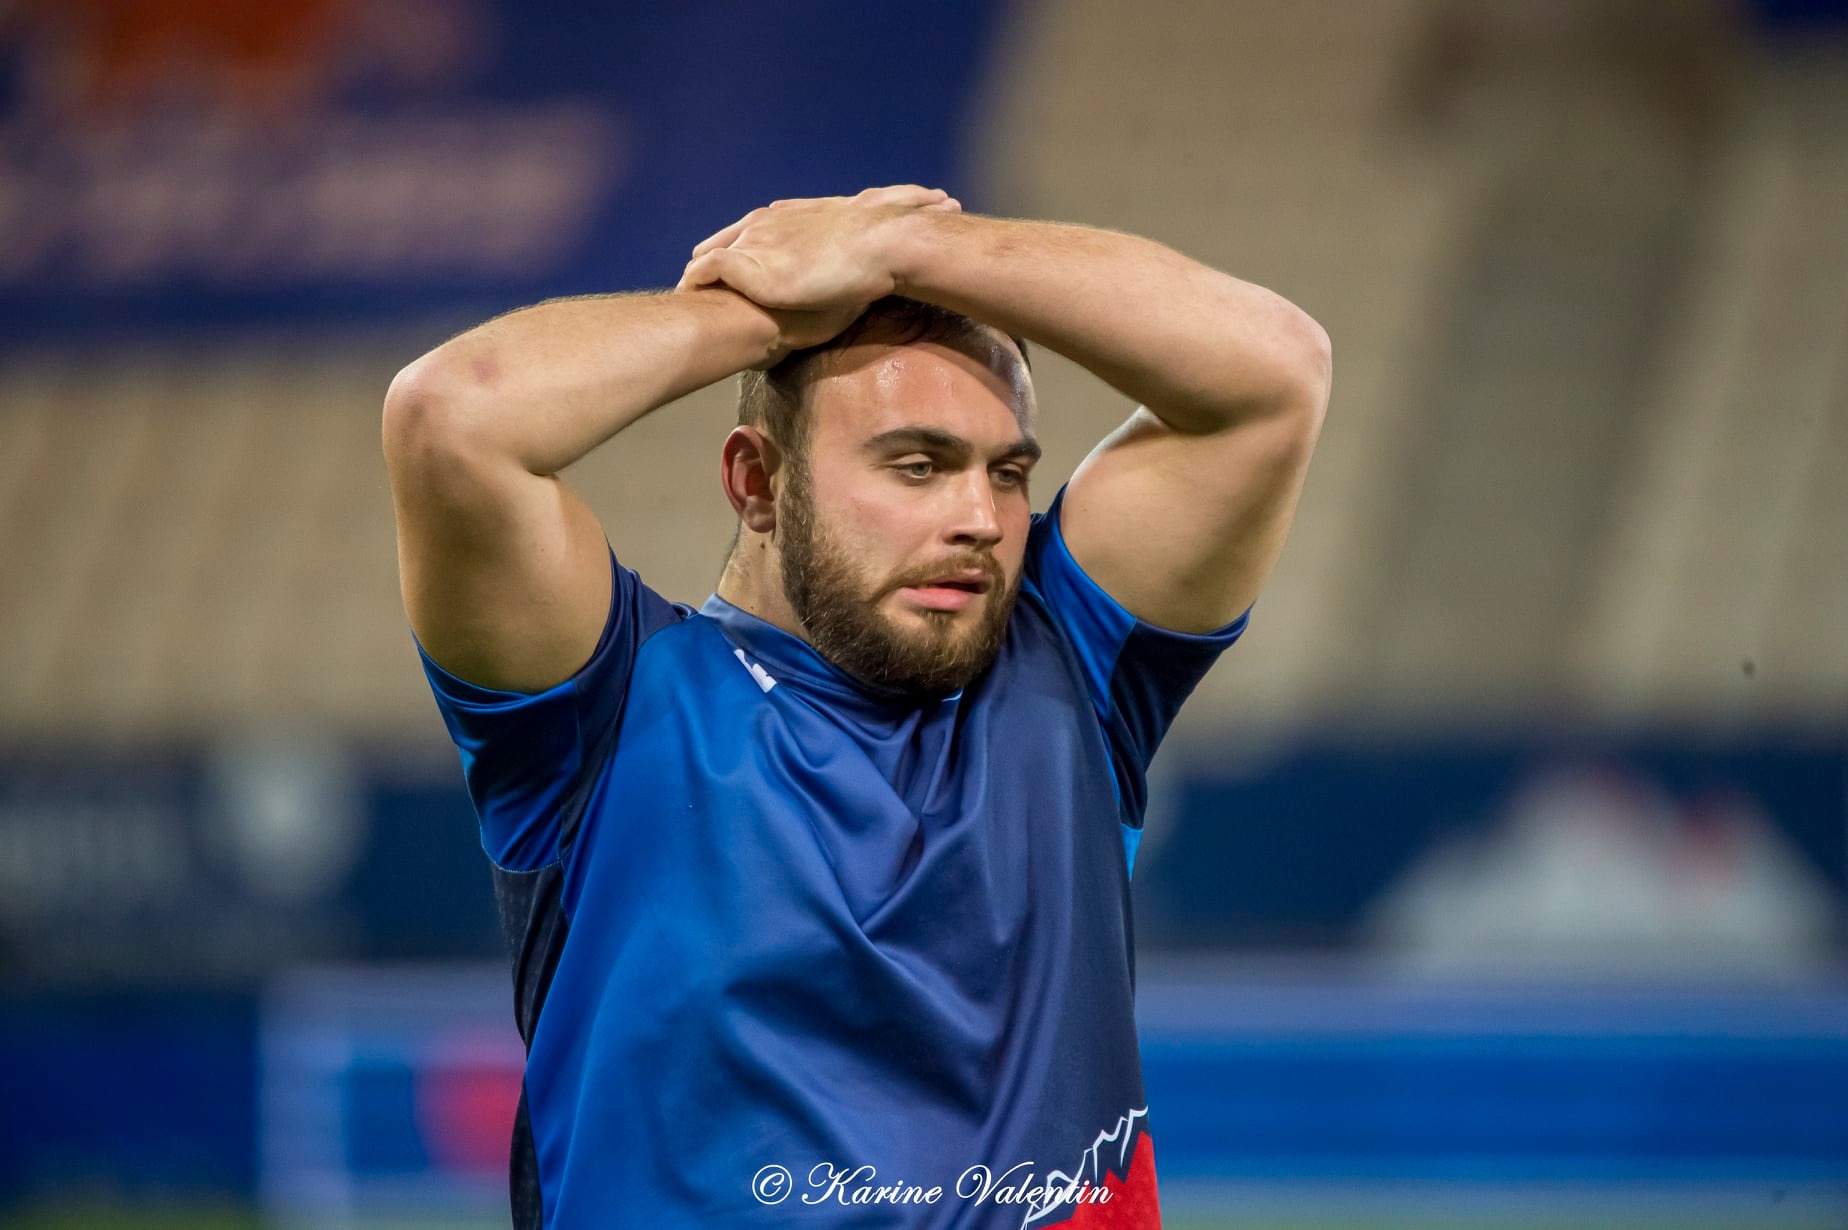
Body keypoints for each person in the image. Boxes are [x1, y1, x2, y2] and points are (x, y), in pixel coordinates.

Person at [383, 184, 1330, 1228]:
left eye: (1007, 473)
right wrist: (771, 309)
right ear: (757, 483)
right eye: (916, 466)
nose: (978, 517)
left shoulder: (1073, 667)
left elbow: (1277, 369)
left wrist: (903, 245)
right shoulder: (605, 716)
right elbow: (454, 415)